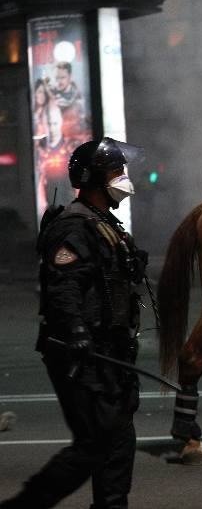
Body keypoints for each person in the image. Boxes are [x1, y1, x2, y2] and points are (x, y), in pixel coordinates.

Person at [1, 138, 147, 509]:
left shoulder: (104, 223)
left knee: (117, 441)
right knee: (93, 444)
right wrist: (78, 335)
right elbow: (62, 287)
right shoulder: (74, 227)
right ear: (94, 179)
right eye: (116, 172)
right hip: (81, 354)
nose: (123, 179)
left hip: (110, 351)